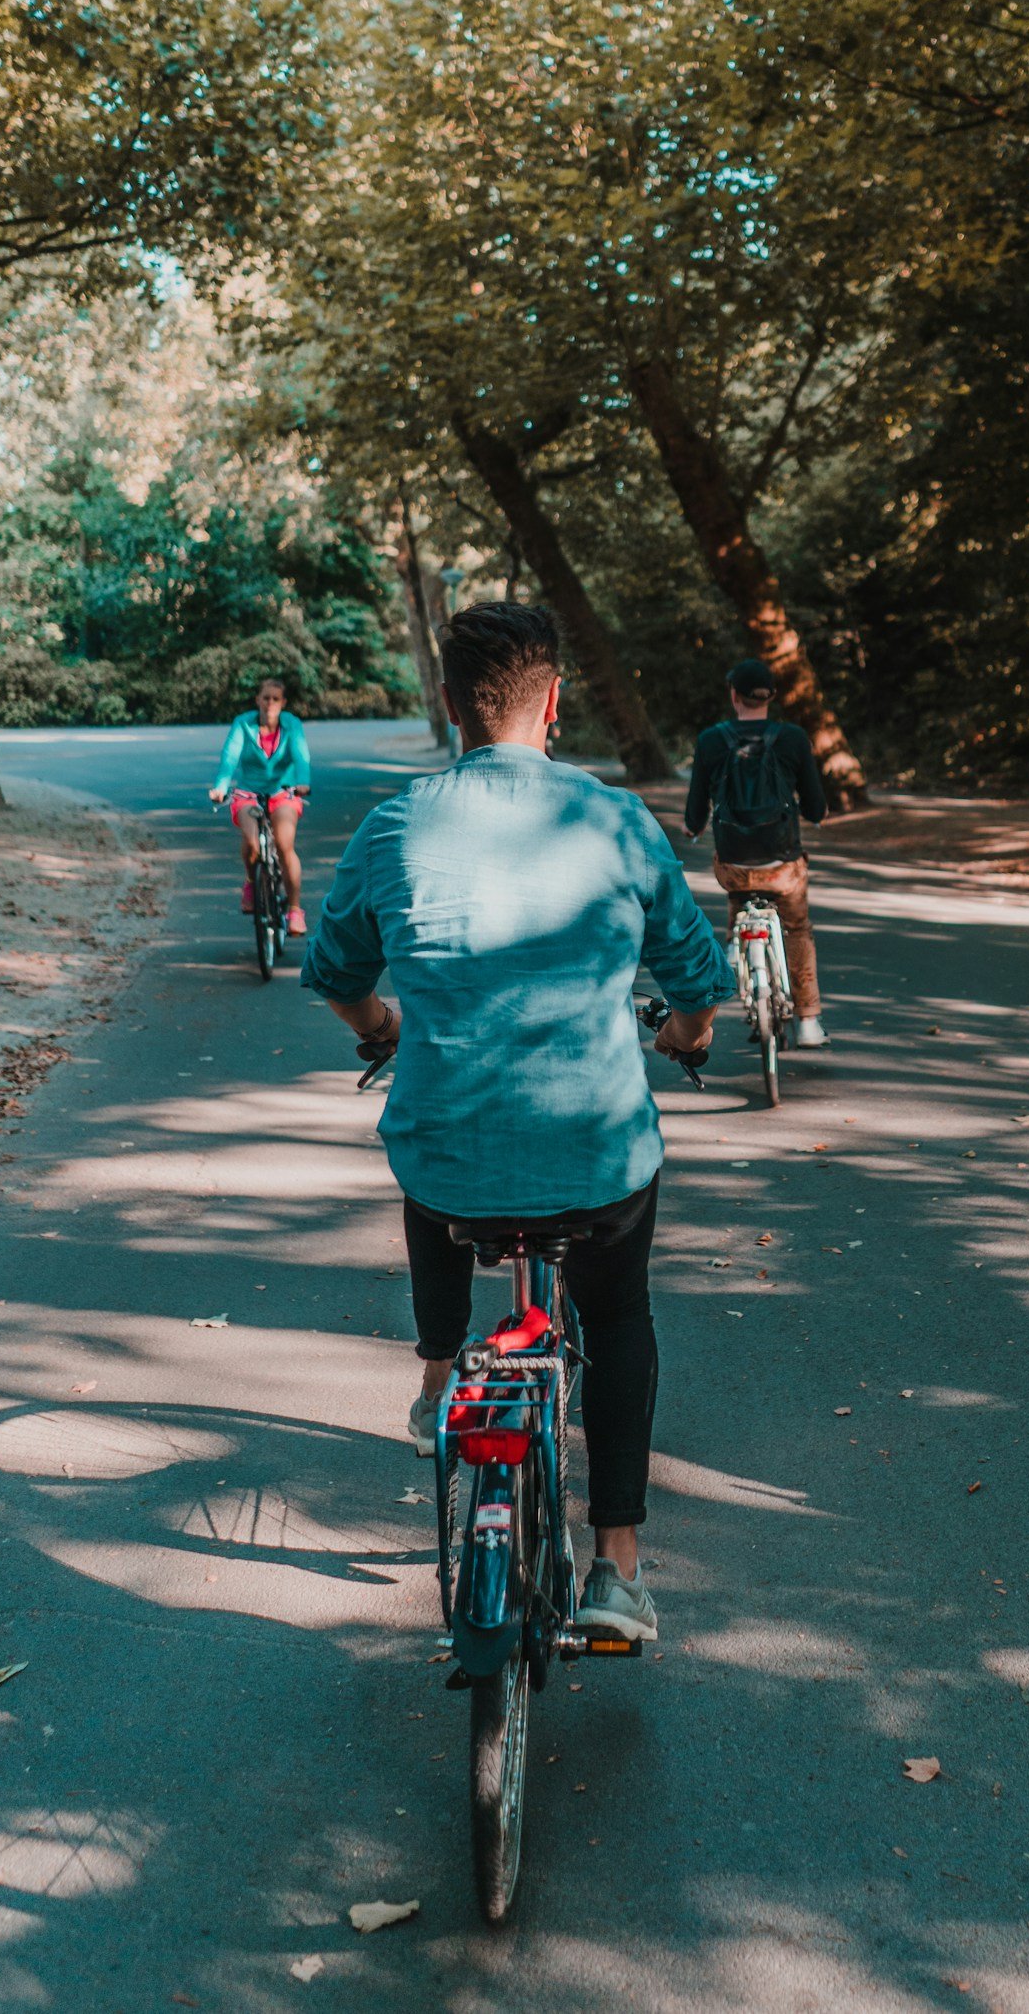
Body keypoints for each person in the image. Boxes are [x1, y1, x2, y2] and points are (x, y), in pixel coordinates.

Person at [301, 601, 734, 1644]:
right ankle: (618, 1567)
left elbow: (337, 975)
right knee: (618, 1315)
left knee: (430, 1157)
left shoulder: (395, 824)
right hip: (595, 1155)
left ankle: (440, 1374)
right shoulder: (616, 819)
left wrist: (378, 1027)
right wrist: (684, 1033)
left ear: (449, 704)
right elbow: (692, 978)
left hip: (451, 1158)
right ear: (555, 703)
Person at [684, 656, 829, 1047]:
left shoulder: (712, 740)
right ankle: (809, 1022)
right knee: (796, 928)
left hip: (733, 862)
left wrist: (693, 827)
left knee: (740, 893)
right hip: (782, 864)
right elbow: (815, 806)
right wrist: (817, 815)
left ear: (734, 696)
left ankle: (737, 948)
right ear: (772, 696)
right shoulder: (793, 738)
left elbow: (695, 811)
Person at [208, 677, 312, 936]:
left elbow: (301, 756)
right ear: (258, 700)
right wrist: (221, 787)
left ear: (283, 703)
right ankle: (251, 881)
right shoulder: (243, 724)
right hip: (248, 792)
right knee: (253, 842)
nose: (270, 703)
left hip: (283, 791)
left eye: (276, 699)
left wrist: (303, 782)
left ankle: (295, 909)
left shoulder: (292, 725)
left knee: (284, 844)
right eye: (265, 698)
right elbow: (229, 757)